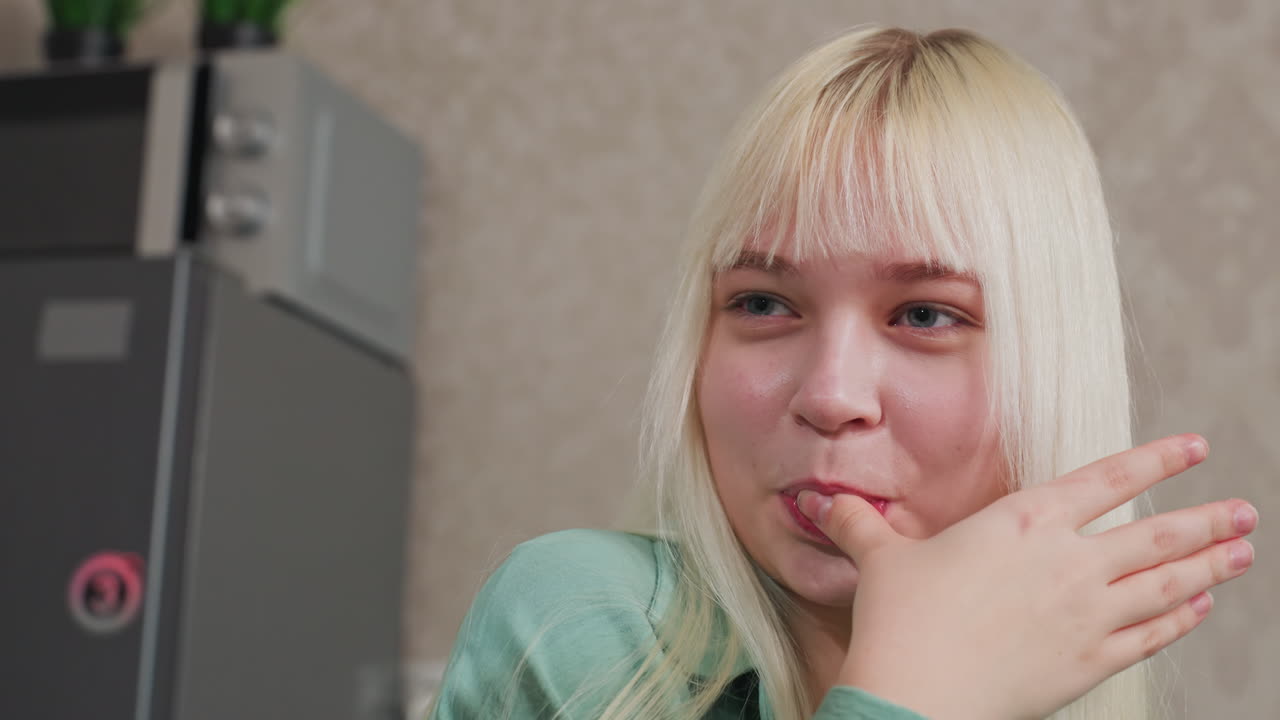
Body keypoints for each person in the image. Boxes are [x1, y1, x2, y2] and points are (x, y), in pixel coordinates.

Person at [426, 24, 1258, 720]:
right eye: (762, 304)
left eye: (925, 315)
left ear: (1052, 367)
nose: (830, 395)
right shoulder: (580, 622)